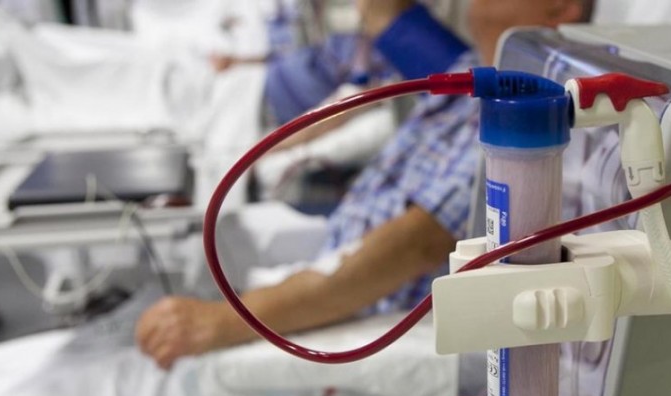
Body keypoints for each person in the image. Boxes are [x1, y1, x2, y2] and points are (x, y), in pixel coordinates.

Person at [136, 0, 593, 370]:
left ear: (561, 7)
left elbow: (411, 249)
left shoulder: (532, 118)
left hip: (358, 322)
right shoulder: (470, 68)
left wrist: (220, 323)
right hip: (327, 273)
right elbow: (382, 13)